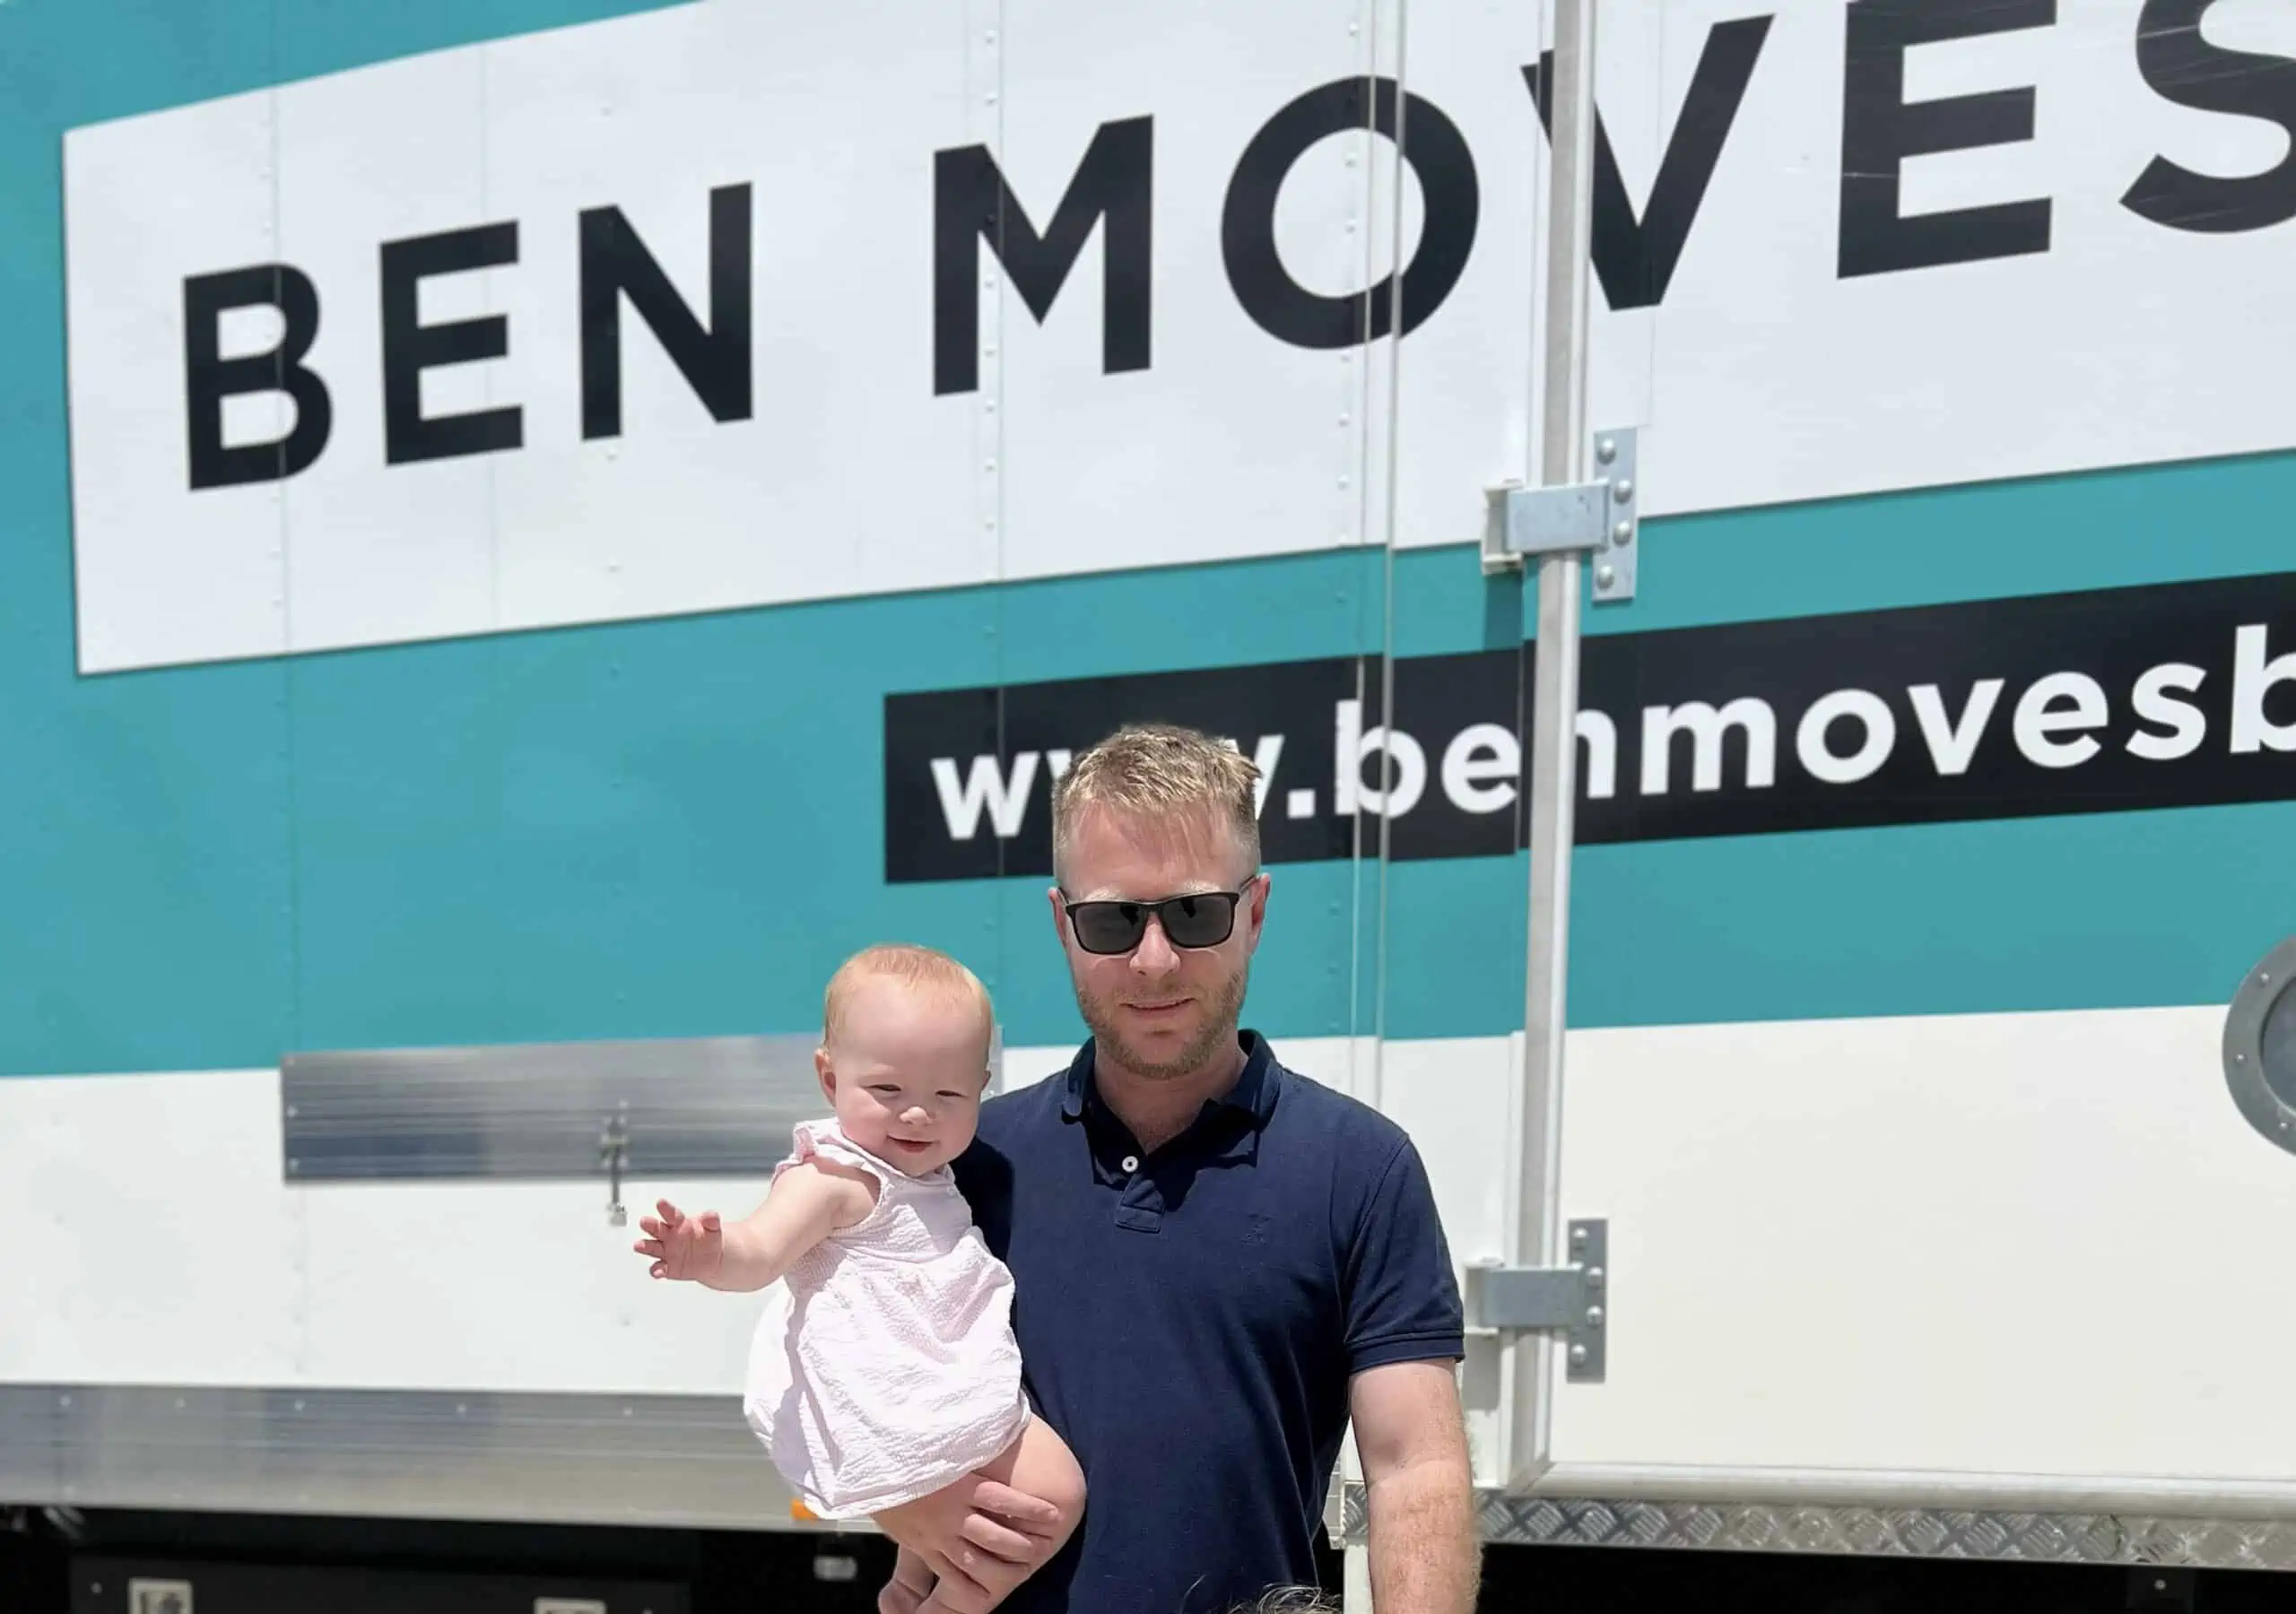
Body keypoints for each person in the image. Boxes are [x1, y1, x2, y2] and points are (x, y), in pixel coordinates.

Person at [874, 723, 1480, 1614]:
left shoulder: (1358, 1167)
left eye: (1195, 914)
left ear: (1257, 911)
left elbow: (1414, 1471)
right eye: (1113, 920)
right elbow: (843, 1369)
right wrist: (897, 1496)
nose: (1153, 962)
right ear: (1061, 924)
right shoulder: (965, 1166)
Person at [631, 942, 1086, 1614]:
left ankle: (906, 1589)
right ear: (828, 1077)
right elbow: (760, 1250)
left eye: (949, 1094)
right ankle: (949, 1606)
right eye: (888, 1089)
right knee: (1059, 1493)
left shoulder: (932, 1175)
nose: (917, 1114)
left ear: (981, 1088)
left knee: (975, 1483)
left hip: (931, 1383)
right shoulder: (836, 1177)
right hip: (895, 1396)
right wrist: (708, 1255)